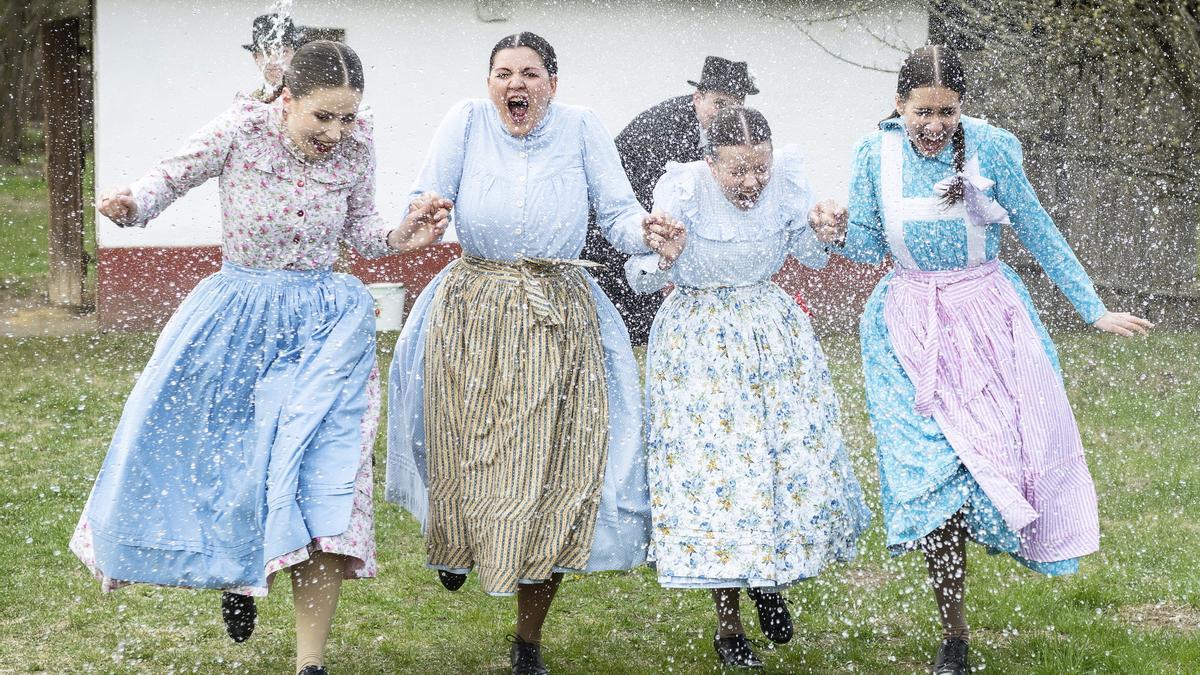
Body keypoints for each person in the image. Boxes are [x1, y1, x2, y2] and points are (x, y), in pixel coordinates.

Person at [70, 41, 447, 675]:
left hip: (327, 330)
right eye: (321, 117)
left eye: (347, 117)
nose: (335, 132)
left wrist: (400, 238)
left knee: (327, 486)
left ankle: (310, 664)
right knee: (235, 469)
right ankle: (238, 572)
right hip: (238, 319)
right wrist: (132, 203)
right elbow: (172, 173)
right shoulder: (240, 128)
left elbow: (361, 230)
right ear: (287, 100)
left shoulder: (357, 145)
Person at [828, 45, 1153, 675]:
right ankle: (955, 634)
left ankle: (990, 557)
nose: (935, 125)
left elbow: (1035, 226)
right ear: (898, 106)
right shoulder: (874, 154)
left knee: (995, 459)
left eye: (947, 112)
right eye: (923, 111)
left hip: (988, 320)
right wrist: (833, 229)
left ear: (962, 107)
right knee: (931, 477)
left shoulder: (993, 147)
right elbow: (869, 249)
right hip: (908, 326)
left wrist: (1091, 308)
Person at [384, 32, 677, 675]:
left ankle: (527, 640)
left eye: (531, 73)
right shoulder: (463, 122)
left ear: (552, 82)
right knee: (462, 448)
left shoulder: (581, 127)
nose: (516, 84)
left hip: (558, 310)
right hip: (473, 305)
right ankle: (456, 546)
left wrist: (647, 232)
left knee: (556, 475)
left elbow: (620, 215)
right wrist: (423, 214)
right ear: (489, 82)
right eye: (504, 73)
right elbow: (424, 195)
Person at [629, 106, 870, 669]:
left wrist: (821, 231)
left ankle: (769, 578)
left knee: (780, 463)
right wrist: (665, 257)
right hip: (700, 347)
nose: (751, 183)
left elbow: (809, 255)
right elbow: (641, 278)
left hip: (772, 336)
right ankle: (728, 624)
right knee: (720, 478)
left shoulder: (785, 176)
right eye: (737, 171)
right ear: (711, 163)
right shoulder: (683, 189)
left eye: (758, 168)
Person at [581, 56, 758, 345]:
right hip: (615, 228)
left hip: (651, 233)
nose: (730, 113)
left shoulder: (725, 133)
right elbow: (652, 200)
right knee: (625, 324)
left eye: (738, 105)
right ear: (698, 97)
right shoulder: (667, 130)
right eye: (721, 103)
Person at [243, 13, 303, 103]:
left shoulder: (309, 97)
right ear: (256, 57)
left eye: (283, 52)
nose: (274, 61)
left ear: (295, 54)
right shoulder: (249, 104)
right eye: (266, 52)